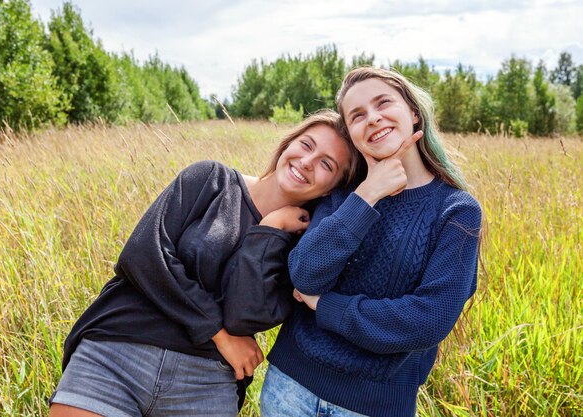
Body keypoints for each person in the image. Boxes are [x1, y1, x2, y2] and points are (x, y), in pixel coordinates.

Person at [48, 109, 361, 417]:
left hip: (206, 381)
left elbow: (244, 317)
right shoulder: (210, 180)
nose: (307, 162)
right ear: (289, 143)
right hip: (120, 347)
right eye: (306, 145)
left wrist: (270, 230)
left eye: (326, 164)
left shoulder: (300, 251)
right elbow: (144, 256)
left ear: (333, 187)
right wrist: (219, 334)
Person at [261, 67, 482, 417]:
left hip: (373, 405)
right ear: (351, 133)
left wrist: (324, 306)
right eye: (358, 115)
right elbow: (304, 275)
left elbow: (428, 319)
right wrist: (368, 194)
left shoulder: (455, 211)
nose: (374, 119)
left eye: (383, 104)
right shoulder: (343, 195)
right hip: (289, 388)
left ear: (412, 111)